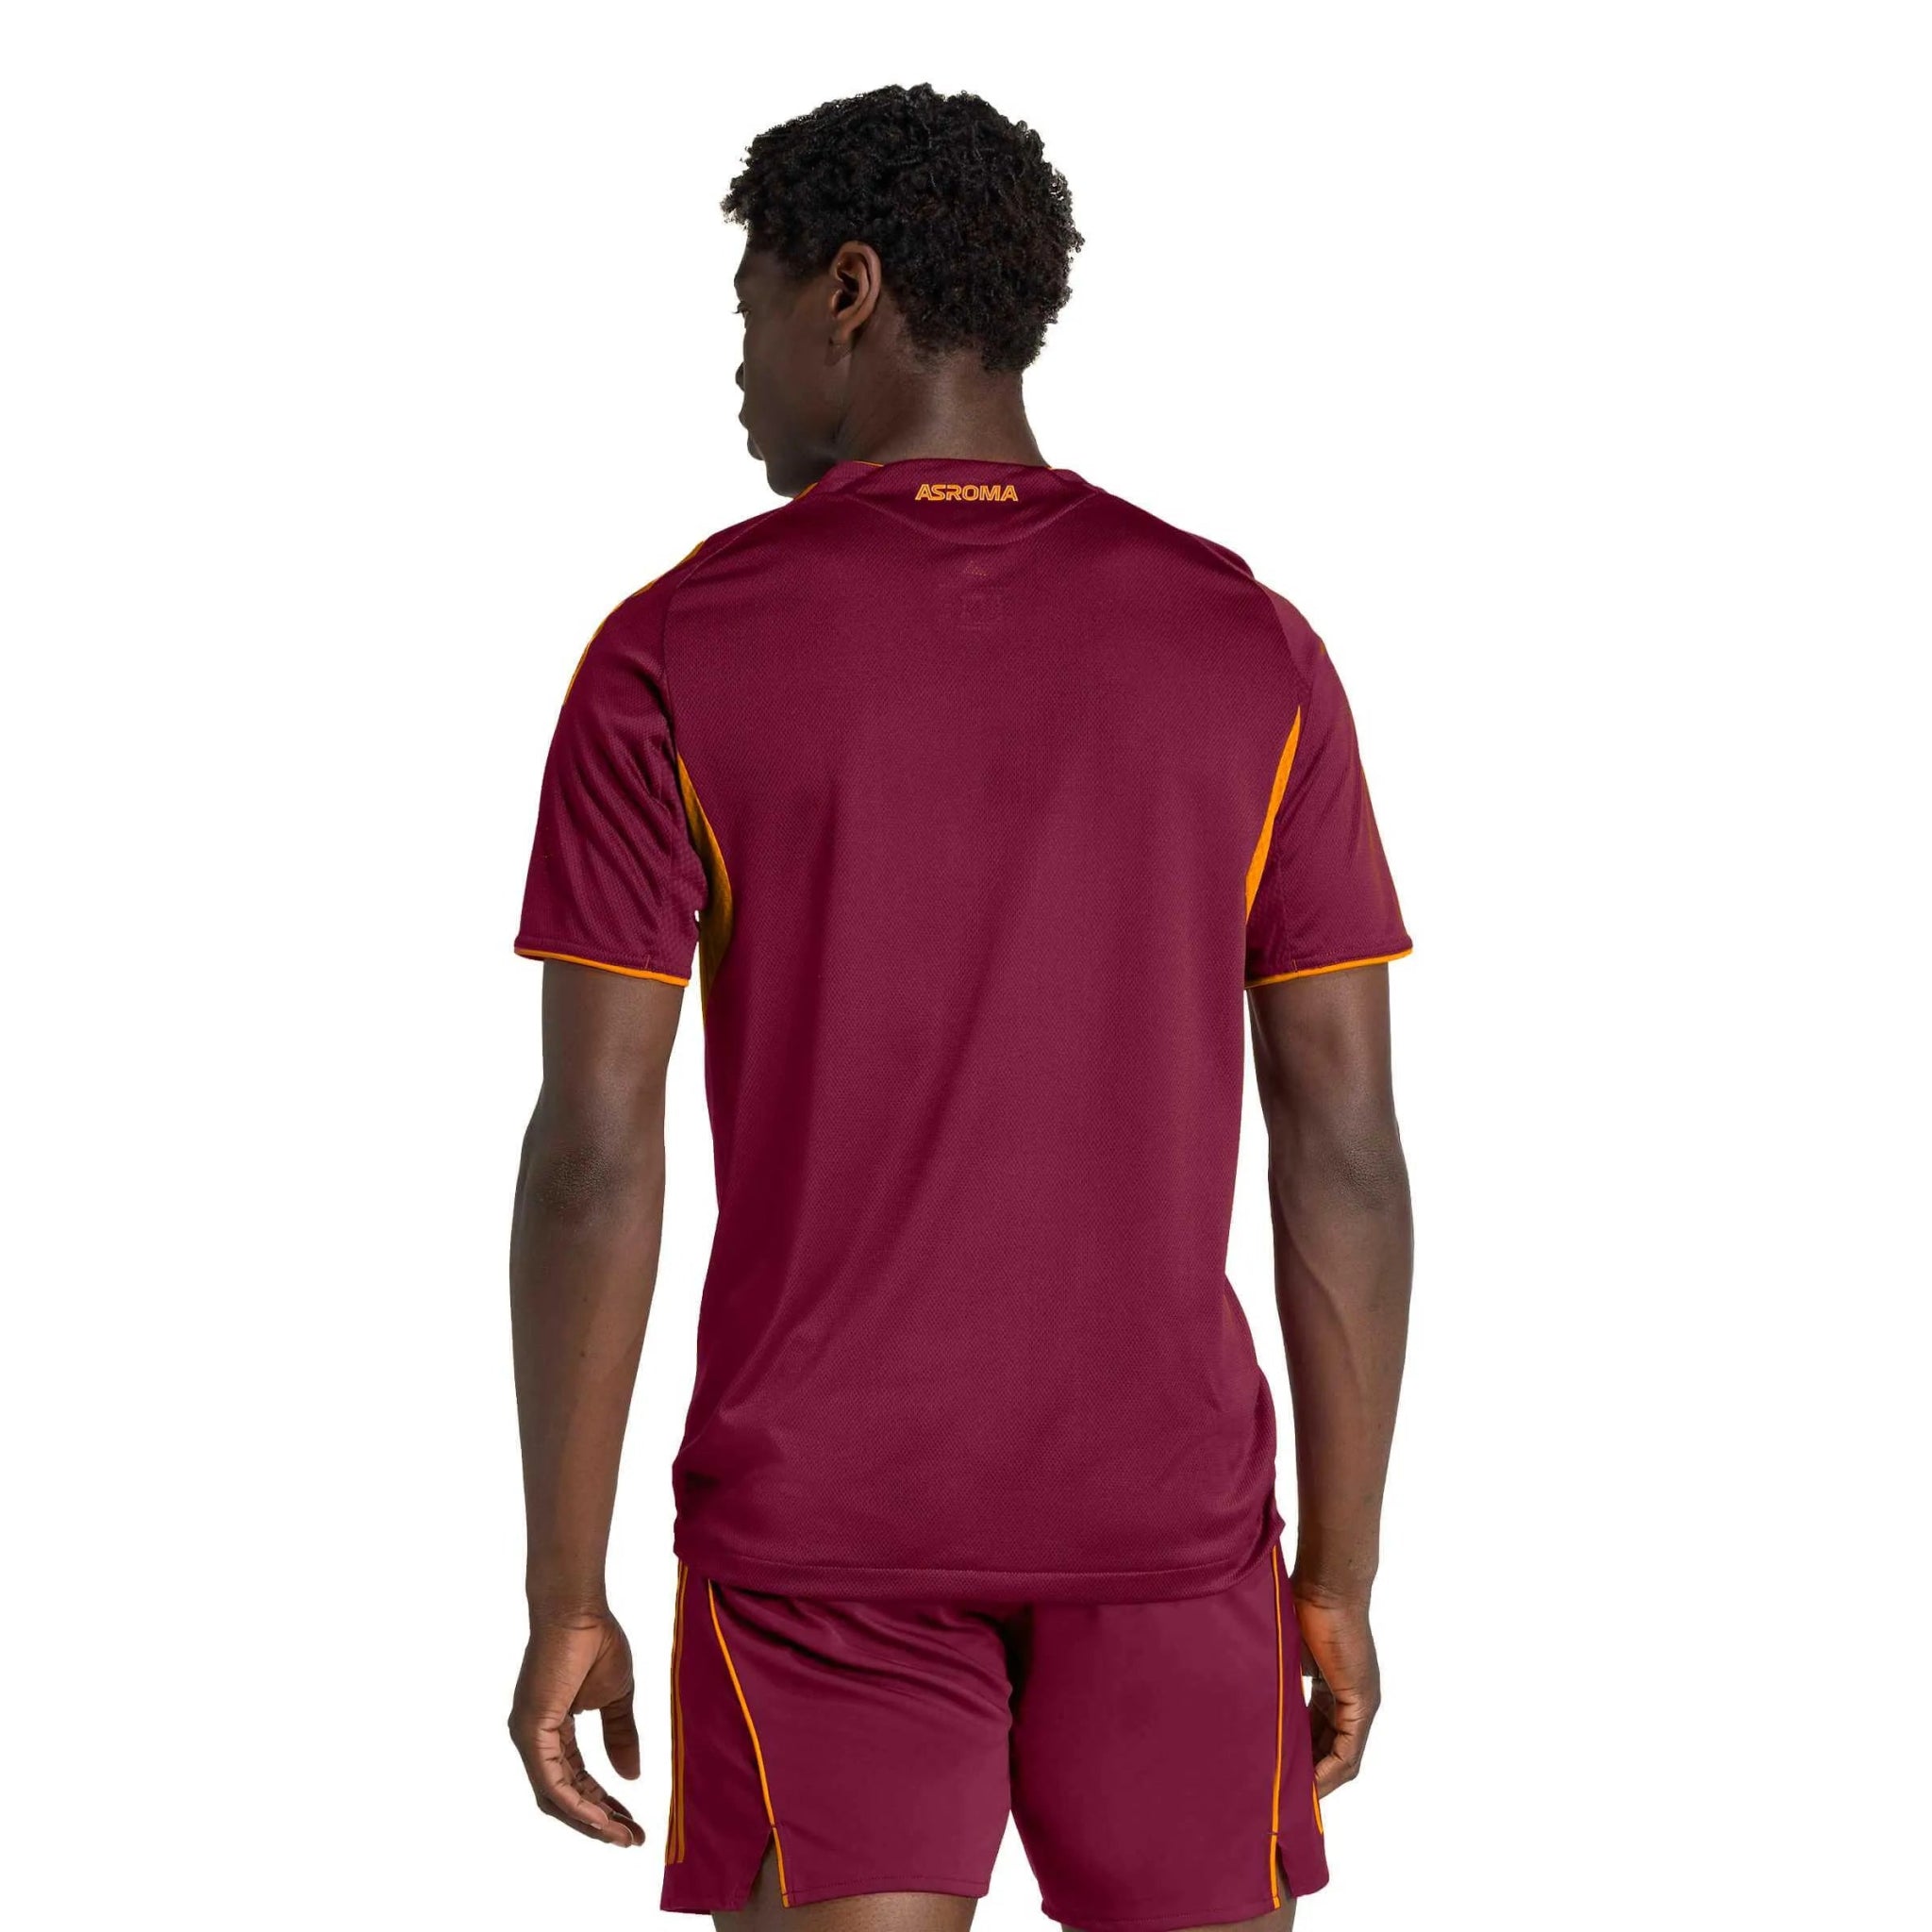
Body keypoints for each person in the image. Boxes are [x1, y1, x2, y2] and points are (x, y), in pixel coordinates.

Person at [507, 83, 1413, 1932]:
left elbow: (597, 1150)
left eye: (749, 304)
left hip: (820, 1540)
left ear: (846, 291)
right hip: (1168, 1532)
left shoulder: (669, 654)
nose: (737, 364)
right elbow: (1342, 1143)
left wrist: (563, 1587)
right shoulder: (1248, 646)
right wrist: (1338, 1570)